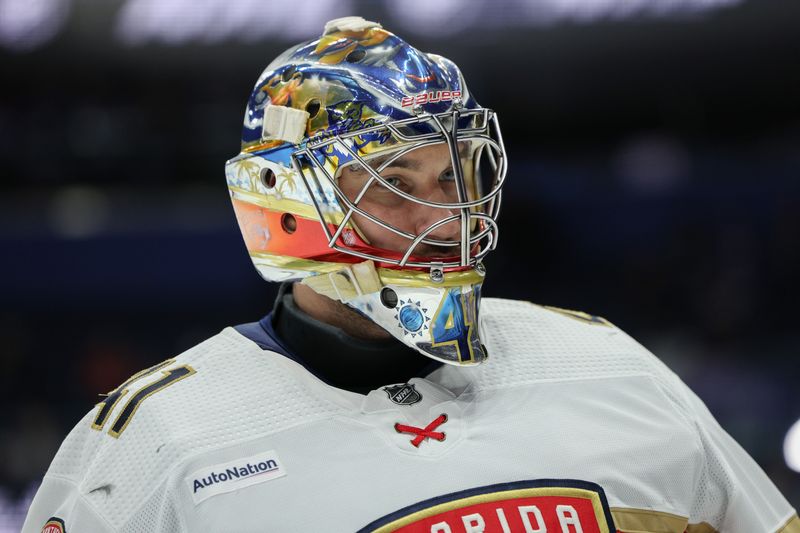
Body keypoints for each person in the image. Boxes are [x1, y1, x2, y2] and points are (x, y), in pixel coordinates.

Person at [23, 16, 797, 533]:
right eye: (394, 181)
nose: (446, 214)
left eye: (454, 173)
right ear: (286, 200)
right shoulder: (154, 443)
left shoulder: (610, 367)